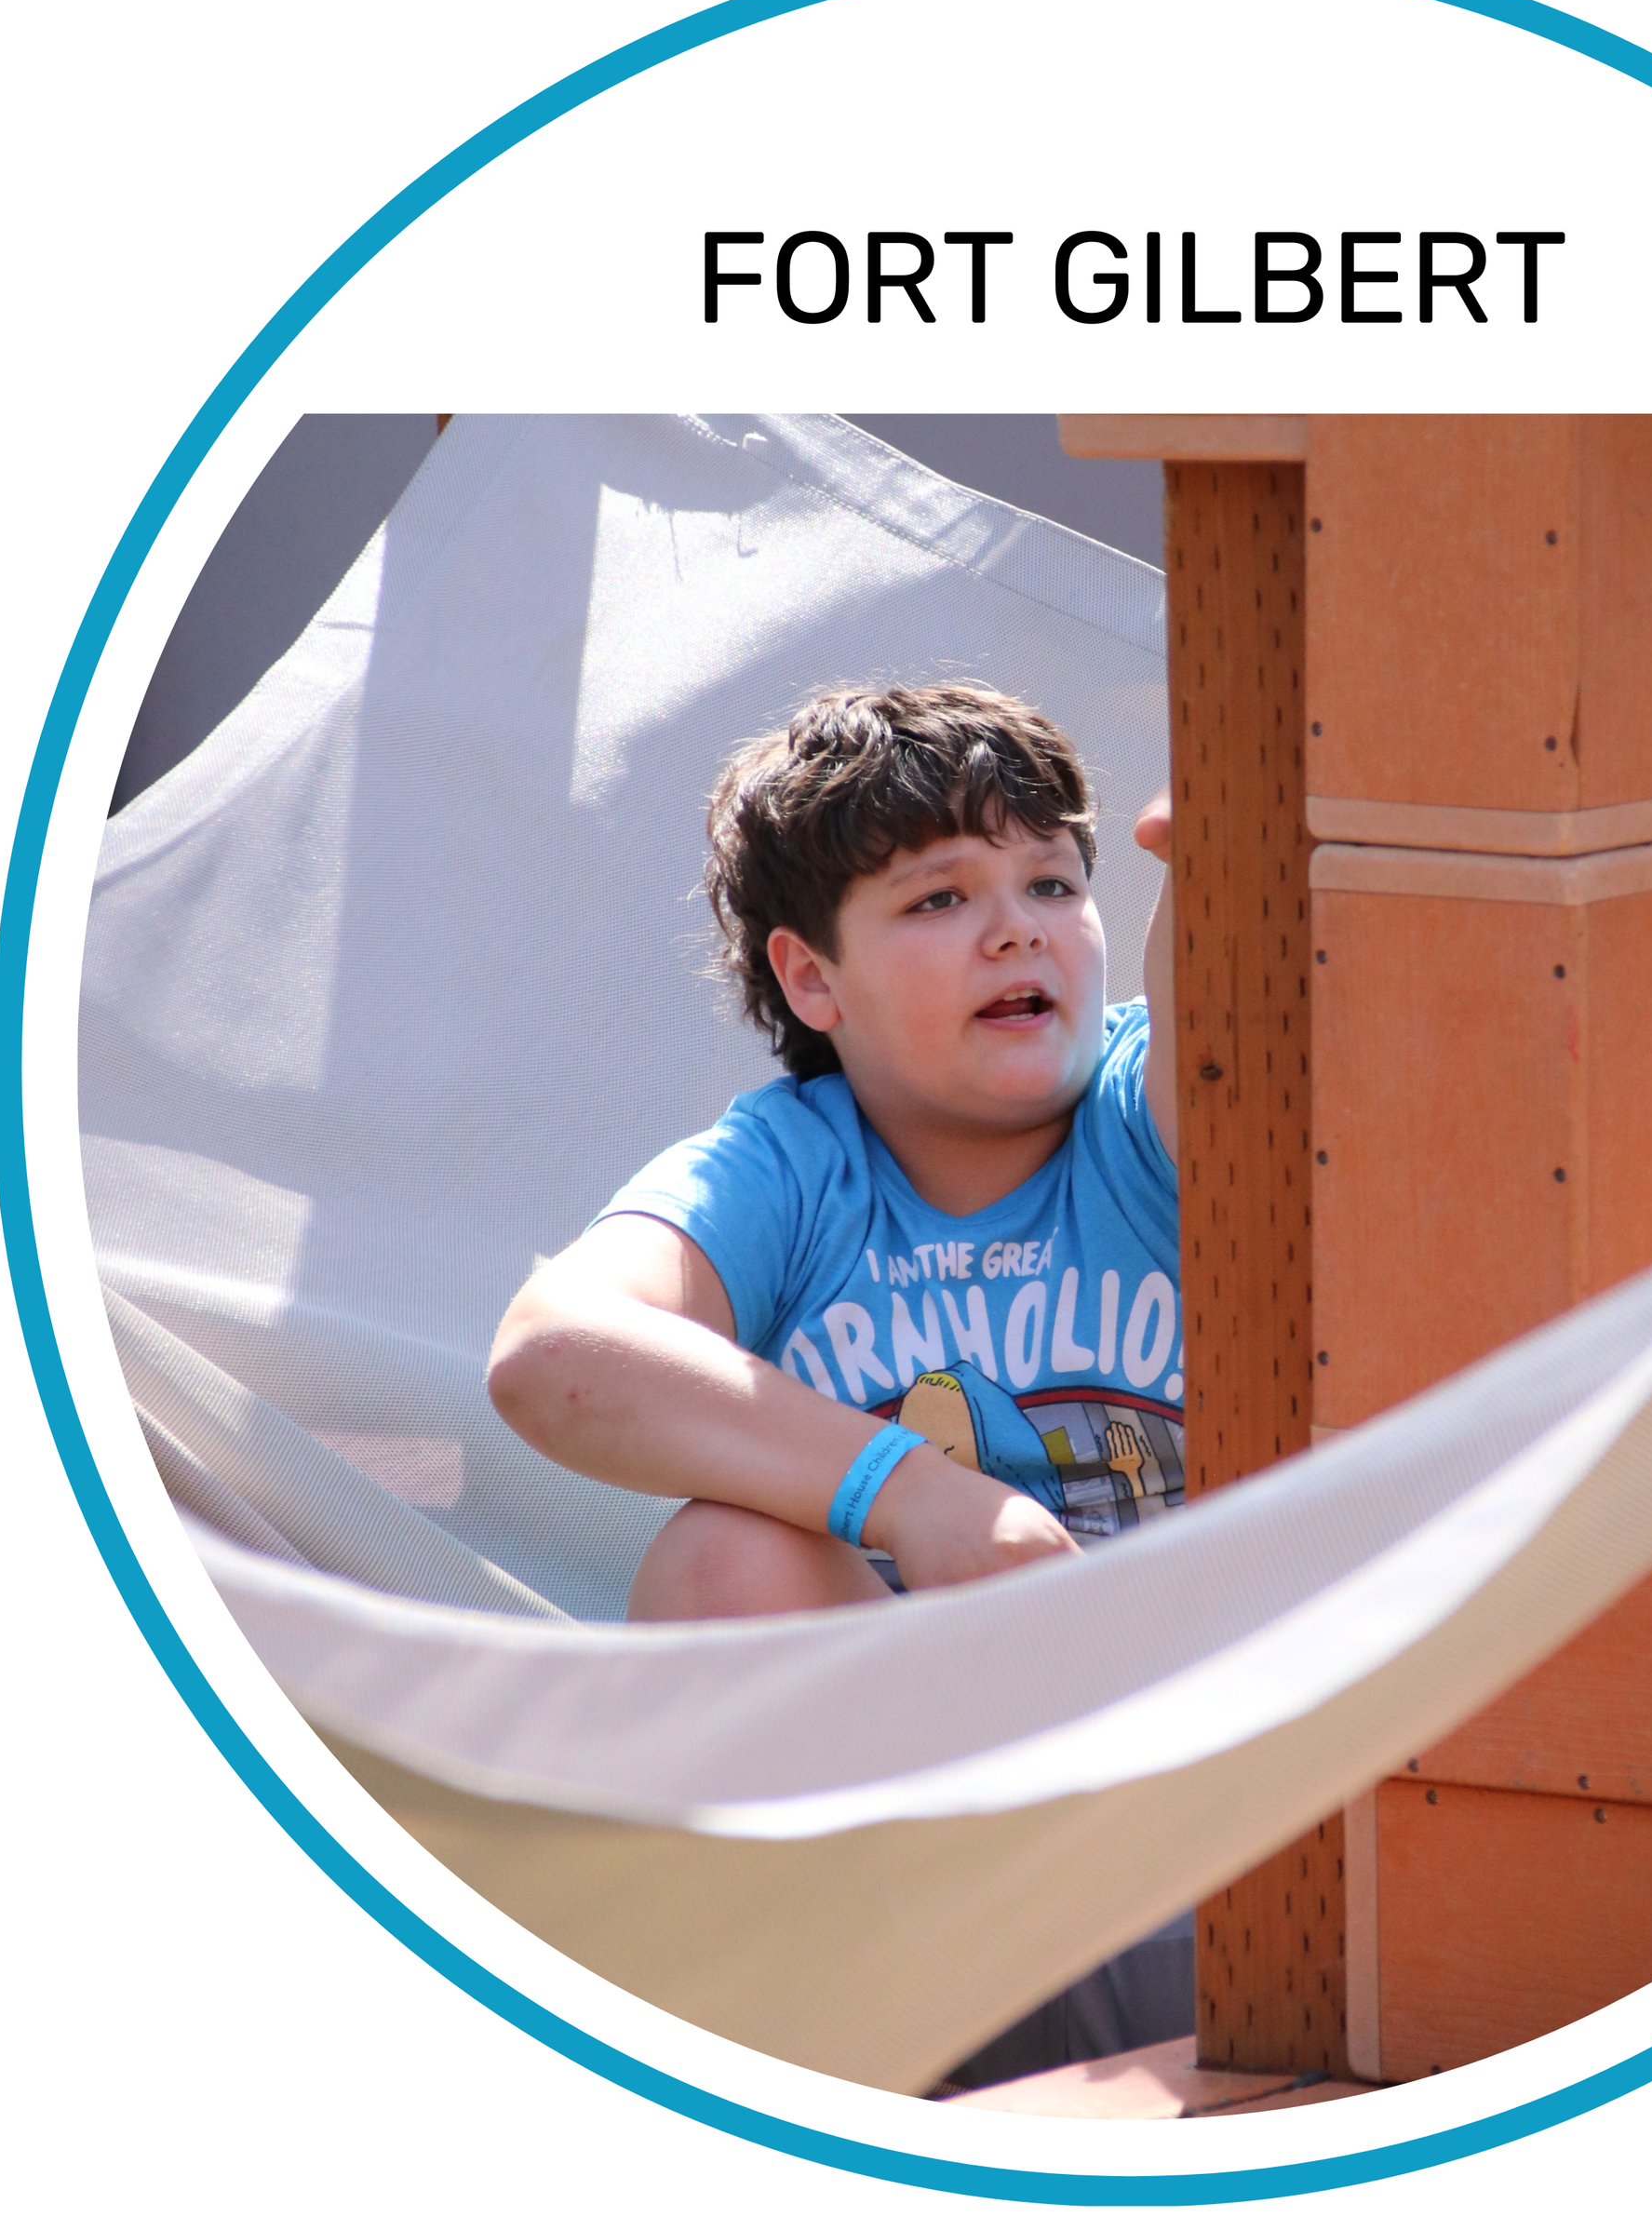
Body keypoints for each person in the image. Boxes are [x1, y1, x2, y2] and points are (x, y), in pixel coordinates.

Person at [487, 682, 1179, 1619]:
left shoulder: (1152, 1107)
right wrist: (910, 1494)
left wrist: (1211, 862)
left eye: (1053, 883)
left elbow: (1230, 1029)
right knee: (720, 1555)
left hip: (1200, 1701)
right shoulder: (786, 1170)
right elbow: (549, 1352)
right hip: (900, 1724)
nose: (1020, 926)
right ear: (812, 977)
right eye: (940, 896)